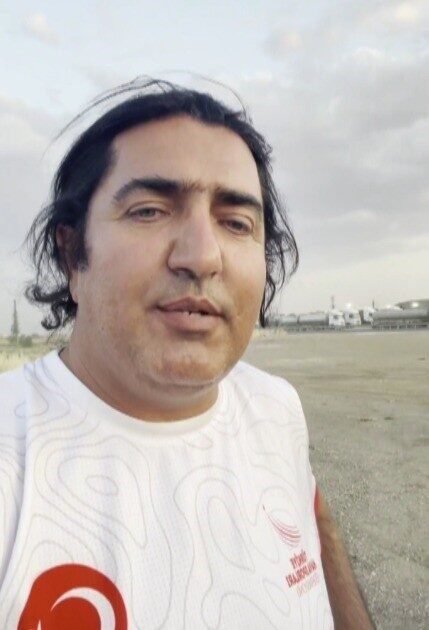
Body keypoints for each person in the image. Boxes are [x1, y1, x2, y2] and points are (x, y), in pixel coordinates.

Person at [0, 79, 373, 629]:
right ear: (73, 253)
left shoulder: (277, 408)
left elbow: (315, 547)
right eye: (150, 211)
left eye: (237, 223)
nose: (201, 256)